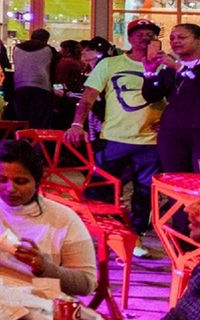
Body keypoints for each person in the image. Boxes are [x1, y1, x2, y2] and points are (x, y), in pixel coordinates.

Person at [0, 140, 96, 296]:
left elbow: (86, 284)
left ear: (37, 181)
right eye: (1, 180)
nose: (10, 189)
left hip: (41, 300)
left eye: (21, 181)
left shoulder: (63, 218)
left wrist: (44, 267)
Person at [64, 18, 164, 254]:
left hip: (150, 142)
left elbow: (177, 96)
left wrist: (169, 121)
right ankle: (104, 232)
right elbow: (88, 96)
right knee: (99, 188)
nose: (145, 37)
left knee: (144, 192)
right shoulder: (110, 64)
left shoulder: (164, 65)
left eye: (150, 33)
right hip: (114, 138)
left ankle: (135, 237)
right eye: (139, 33)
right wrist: (77, 124)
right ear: (129, 38)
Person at [141, 23, 200, 177]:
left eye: (182, 37)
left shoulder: (174, 66)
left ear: (198, 40)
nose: (175, 41)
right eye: (172, 38)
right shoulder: (168, 69)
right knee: (175, 179)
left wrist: (178, 67)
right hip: (172, 132)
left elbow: (195, 83)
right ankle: (178, 202)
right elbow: (152, 96)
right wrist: (149, 73)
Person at [12, 28, 57, 130]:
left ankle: (22, 139)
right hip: (42, 87)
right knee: (39, 120)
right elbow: (52, 71)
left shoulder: (17, 48)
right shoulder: (49, 50)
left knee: (22, 119)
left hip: (20, 86)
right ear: (46, 39)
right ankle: (37, 143)